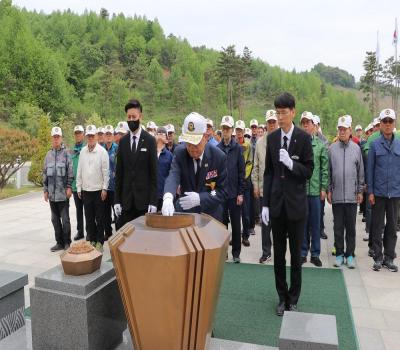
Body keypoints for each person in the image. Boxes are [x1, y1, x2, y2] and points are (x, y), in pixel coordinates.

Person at [261, 92, 314, 316]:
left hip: (296, 206)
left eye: (283, 113)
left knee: (295, 255)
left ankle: (294, 298)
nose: (280, 117)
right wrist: (265, 204)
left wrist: (291, 165)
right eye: (277, 113)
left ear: (293, 112)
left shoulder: (303, 138)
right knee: (279, 254)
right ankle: (281, 297)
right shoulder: (271, 139)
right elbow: (268, 173)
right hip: (276, 206)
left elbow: (308, 171)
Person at [162, 112, 227, 222]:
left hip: (210, 216)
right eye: (188, 143)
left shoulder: (219, 157)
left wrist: (200, 198)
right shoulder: (180, 153)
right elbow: (173, 175)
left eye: (195, 143)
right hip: (186, 215)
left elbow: (223, 191)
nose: (192, 148)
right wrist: (168, 197)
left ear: (205, 137)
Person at [114, 99, 158, 228]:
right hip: (126, 202)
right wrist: (117, 200)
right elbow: (119, 173)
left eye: (134, 116)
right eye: (129, 117)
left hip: (143, 202)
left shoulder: (150, 141)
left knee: (144, 239)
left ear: (140, 117)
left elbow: (153, 174)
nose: (131, 120)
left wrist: (153, 201)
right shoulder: (123, 142)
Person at [328, 116, 364, 268]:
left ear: (350, 130)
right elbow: (329, 171)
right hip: (336, 196)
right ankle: (340, 254)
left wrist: (360, 190)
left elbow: (360, 171)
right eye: (340, 129)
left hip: (351, 196)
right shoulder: (332, 148)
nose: (342, 132)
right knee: (337, 227)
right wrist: (329, 189)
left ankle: (350, 255)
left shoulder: (356, 149)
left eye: (345, 129)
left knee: (350, 228)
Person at [368, 108, 399, 272]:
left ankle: (389, 257)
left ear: (394, 124)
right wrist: (371, 192)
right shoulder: (374, 145)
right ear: (380, 124)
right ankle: (378, 258)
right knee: (377, 226)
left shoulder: (399, 144)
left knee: (392, 227)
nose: (387, 125)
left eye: (390, 121)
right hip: (379, 193)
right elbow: (370, 170)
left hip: (395, 193)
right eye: (384, 122)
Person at [300, 112, 328, 267]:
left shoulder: (320, 145)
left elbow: (324, 169)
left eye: (308, 123)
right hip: (302, 192)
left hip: (316, 191)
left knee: (315, 224)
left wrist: (323, 188)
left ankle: (315, 254)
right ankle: (303, 252)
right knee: (302, 223)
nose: (305, 125)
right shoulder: (296, 144)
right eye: (303, 123)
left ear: (313, 125)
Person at [76, 125, 110, 251]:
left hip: (98, 191)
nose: (90, 138)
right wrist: (79, 187)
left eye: (92, 136)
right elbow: (79, 170)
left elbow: (106, 173)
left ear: (96, 136)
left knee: (99, 218)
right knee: (89, 218)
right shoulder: (83, 151)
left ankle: (100, 241)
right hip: (86, 190)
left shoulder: (102, 152)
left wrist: (105, 188)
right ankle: (93, 240)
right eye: (88, 136)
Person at [217, 115, 245, 263]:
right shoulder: (217, 148)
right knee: (222, 225)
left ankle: (236, 253)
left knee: (235, 224)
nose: (226, 131)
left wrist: (241, 192)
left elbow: (242, 172)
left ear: (232, 130)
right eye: (224, 129)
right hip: (221, 193)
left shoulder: (238, 149)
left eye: (228, 129)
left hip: (234, 193)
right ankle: (223, 253)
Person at [252, 109, 278, 263]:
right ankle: (266, 251)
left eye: (274, 121)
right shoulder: (260, 143)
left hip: (279, 191)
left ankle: (279, 250)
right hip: (264, 191)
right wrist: (255, 185)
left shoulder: (283, 141)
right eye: (269, 122)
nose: (272, 124)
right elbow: (255, 167)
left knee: (279, 224)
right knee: (265, 223)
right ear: (266, 124)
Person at [43, 127, 74, 252]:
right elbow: (45, 173)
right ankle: (59, 242)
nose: (56, 139)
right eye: (54, 137)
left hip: (63, 194)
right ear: (52, 138)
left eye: (58, 137)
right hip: (52, 194)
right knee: (55, 220)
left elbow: (70, 172)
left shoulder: (66, 154)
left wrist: (69, 187)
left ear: (61, 138)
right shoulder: (48, 155)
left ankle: (67, 242)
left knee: (65, 220)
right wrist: (45, 190)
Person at [235, 120, 253, 246]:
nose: (239, 133)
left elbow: (250, 163)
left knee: (246, 213)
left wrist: (243, 177)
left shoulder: (248, 146)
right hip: (234, 183)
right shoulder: (233, 145)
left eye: (241, 131)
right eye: (237, 130)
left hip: (245, 183)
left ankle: (245, 235)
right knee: (235, 214)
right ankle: (235, 237)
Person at [103, 125, 118, 241]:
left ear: (113, 136)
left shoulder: (117, 149)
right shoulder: (100, 150)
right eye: (106, 134)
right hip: (104, 187)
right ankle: (107, 232)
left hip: (115, 186)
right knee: (105, 212)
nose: (108, 136)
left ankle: (118, 232)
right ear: (103, 136)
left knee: (117, 211)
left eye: (110, 134)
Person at [71, 125, 86, 241]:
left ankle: (91, 231)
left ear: (83, 134)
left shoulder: (87, 148)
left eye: (80, 133)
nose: (78, 135)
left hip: (87, 186)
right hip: (76, 186)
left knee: (89, 211)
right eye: (76, 133)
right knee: (79, 210)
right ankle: (80, 231)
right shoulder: (71, 150)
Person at [155, 126, 173, 211]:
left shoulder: (169, 155)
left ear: (166, 138)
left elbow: (171, 175)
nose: (160, 135)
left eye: (162, 134)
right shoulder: (150, 153)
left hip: (163, 194)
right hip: (151, 194)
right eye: (158, 133)